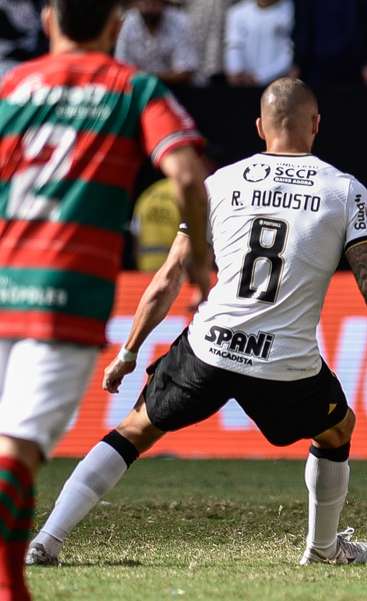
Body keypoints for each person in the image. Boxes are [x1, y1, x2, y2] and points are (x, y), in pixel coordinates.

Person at [26, 78, 367, 568]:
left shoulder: (220, 183)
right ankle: (322, 549)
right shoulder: (345, 190)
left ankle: (47, 539)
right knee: (337, 430)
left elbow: (170, 276)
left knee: (134, 429)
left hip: (210, 345)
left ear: (260, 127)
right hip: (284, 363)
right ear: (316, 125)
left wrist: (129, 352)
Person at [0, 0, 209, 597]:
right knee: (17, 448)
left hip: (4, 279)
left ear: (48, 24)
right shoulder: (133, 87)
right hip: (64, 291)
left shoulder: (14, 84)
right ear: (115, 29)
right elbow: (188, 174)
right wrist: (197, 264)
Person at [114, 0, 199, 86]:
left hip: (175, 90)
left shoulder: (181, 22)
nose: (149, 4)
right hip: (137, 88)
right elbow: (122, 68)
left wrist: (146, 78)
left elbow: (185, 73)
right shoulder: (127, 22)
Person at [225, 0, 297, 87]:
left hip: (278, 85)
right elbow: (234, 45)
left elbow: (291, 52)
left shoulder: (292, 10)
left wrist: (262, 76)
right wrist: (237, 70)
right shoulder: (238, 11)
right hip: (244, 84)